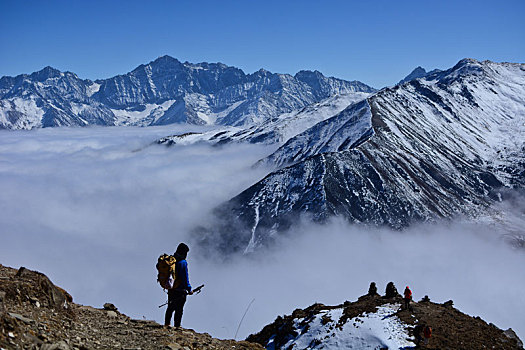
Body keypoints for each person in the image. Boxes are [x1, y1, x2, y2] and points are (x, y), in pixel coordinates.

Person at [164, 243, 192, 328]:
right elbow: (185, 277)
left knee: (170, 307)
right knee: (179, 309)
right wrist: (189, 289)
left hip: (171, 288)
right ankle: (177, 326)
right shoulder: (183, 262)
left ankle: (167, 324)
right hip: (180, 289)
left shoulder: (172, 260)